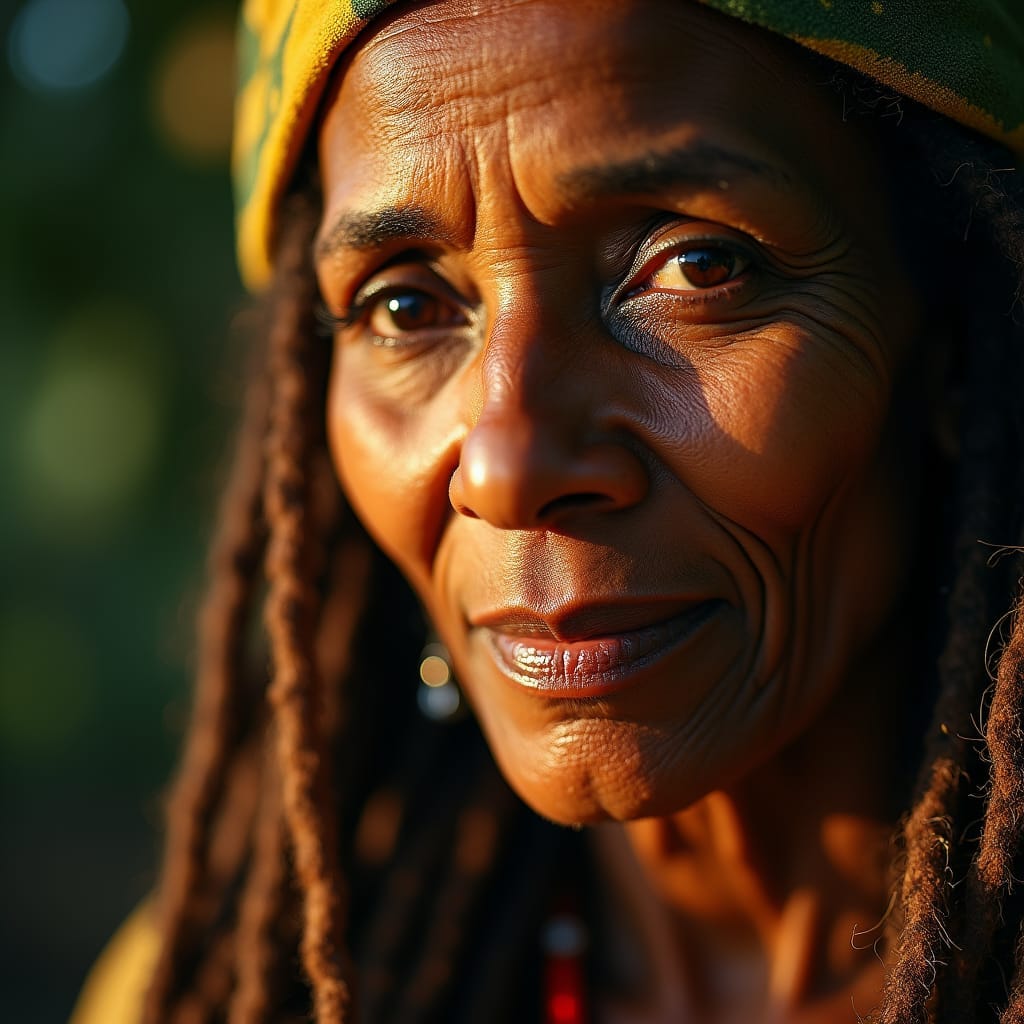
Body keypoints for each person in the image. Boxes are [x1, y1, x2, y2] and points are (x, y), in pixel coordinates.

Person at [72, 0, 1024, 1021]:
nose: (507, 464)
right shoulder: (213, 990)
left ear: (955, 330)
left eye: (694, 266)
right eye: (406, 305)